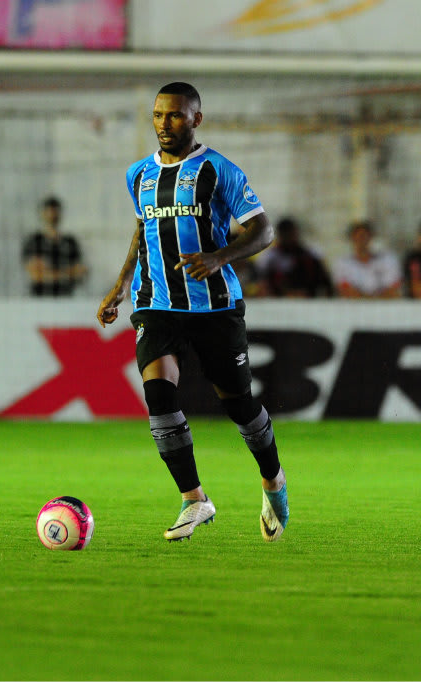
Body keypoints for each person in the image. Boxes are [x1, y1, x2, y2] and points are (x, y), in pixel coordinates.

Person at [96, 81, 289, 543]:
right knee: (159, 399)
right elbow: (143, 230)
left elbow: (263, 232)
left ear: (196, 119)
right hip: (156, 304)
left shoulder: (218, 171)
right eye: (159, 115)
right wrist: (121, 285)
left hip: (214, 307)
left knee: (240, 408)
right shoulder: (138, 175)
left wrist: (220, 257)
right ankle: (194, 498)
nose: (165, 123)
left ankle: (273, 481)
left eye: (177, 115)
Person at [22, 196, 88, 296]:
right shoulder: (34, 241)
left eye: (55, 213)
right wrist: (66, 273)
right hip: (40, 298)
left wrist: (48, 273)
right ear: (43, 214)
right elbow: (35, 275)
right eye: (50, 213)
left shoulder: (70, 242)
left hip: (66, 297)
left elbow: (80, 271)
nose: (52, 216)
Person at [255, 217, 334, 297]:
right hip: (278, 300)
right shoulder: (269, 257)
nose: (289, 238)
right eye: (285, 234)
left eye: (291, 234)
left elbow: (325, 283)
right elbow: (261, 282)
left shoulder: (311, 255)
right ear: (279, 235)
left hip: (307, 299)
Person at [333, 220, 402, 298]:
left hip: (383, 306)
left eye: (364, 236)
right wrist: (366, 299)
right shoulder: (342, 263)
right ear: (352, 238)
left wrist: (374, 300)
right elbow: (345, 290)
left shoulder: (388, 260)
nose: (361, 240)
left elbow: (393, 289)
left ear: (371, 237)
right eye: (357, 236)